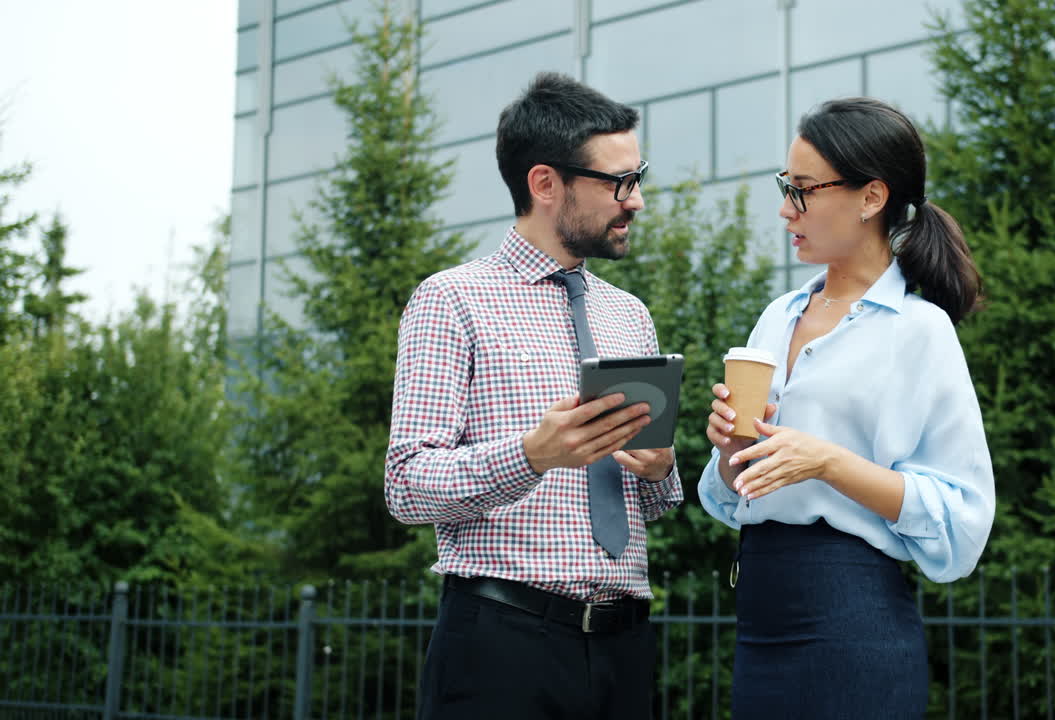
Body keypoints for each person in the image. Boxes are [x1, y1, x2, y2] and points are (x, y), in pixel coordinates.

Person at [385, 72, 682, 720]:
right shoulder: (451, 301)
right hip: (501, 650)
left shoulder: (631, 316)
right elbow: (406, 485)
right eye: (618, 183)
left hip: (625, 648)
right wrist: (531, 456)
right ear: (546, 183)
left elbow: (654, 504)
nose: (635, 201)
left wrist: (661, 470)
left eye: (639, 177)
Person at [698, 97, 996, 719]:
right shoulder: (776, 318)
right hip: (759, 619)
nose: (786, 209)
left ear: (871, 198)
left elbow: (961, 522)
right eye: (786, 187)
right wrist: (731, 456)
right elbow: (733, 493)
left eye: (803, 190)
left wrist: (827, 463)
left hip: (853, 623)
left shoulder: (920, 330)